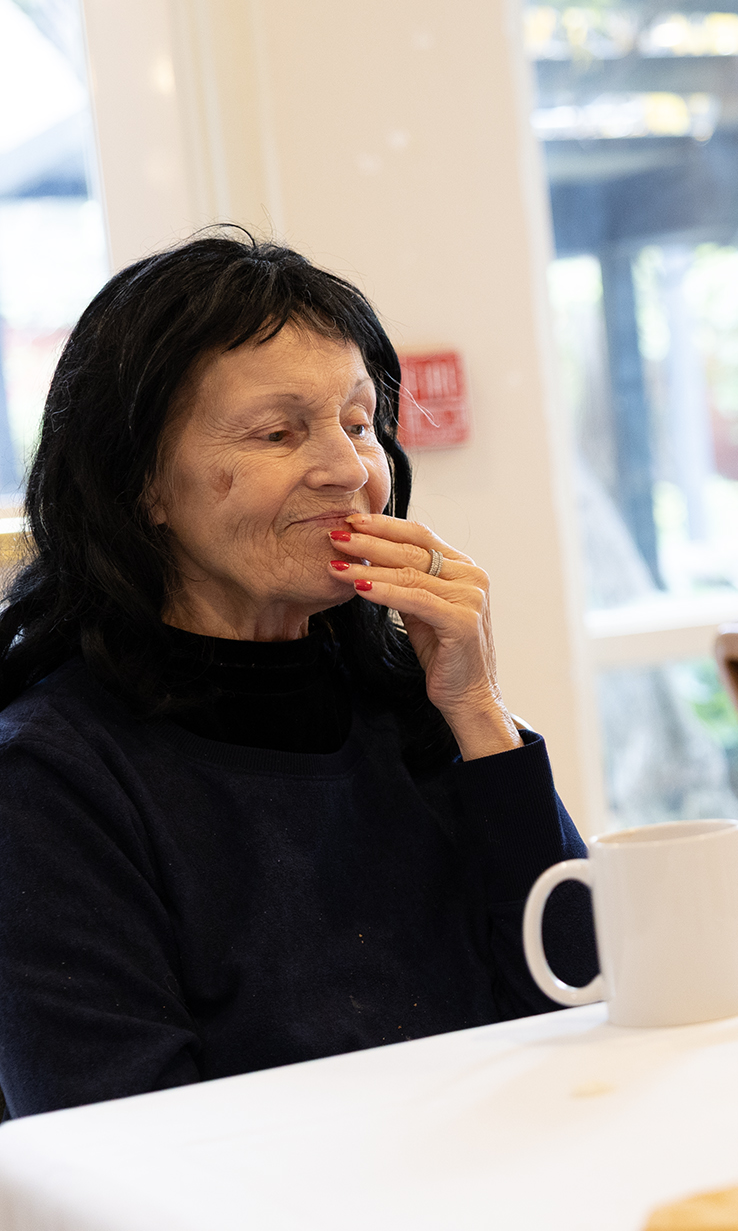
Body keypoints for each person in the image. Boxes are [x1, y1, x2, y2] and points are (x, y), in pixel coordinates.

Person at [0, 231, 597, 1116]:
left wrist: (477, 711)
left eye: (360, 424)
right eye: (280, 432)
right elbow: (115, 1142)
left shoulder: (410, 701)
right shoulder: (47, 776)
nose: (349, 470)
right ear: (142, 488)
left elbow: (585, 997)